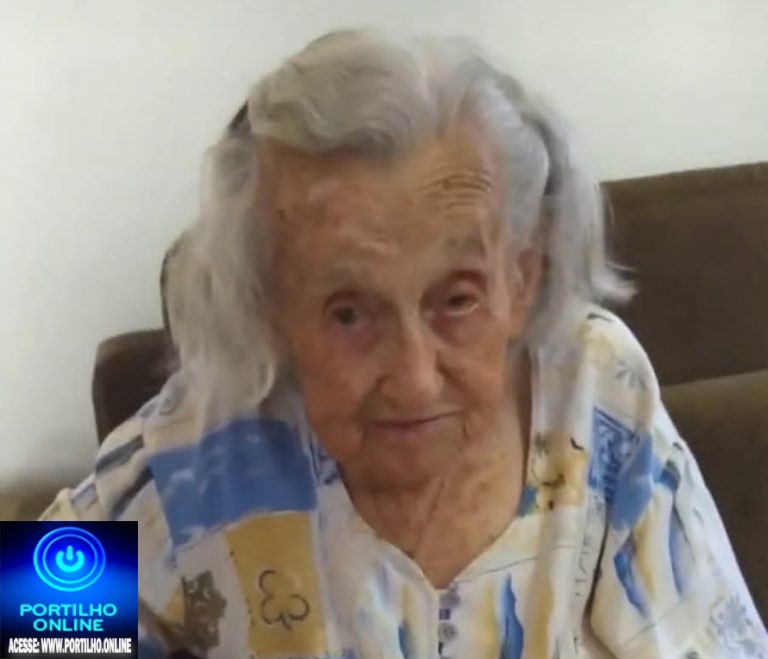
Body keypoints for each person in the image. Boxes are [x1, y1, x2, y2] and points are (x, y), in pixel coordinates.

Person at [42, 30, 766, 658]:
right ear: (270, 311)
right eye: (349, 314)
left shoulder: (594, 385)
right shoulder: (200, 455)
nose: (416, 379)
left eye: (457, 299)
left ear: (523, 276)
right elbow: (36, 617)